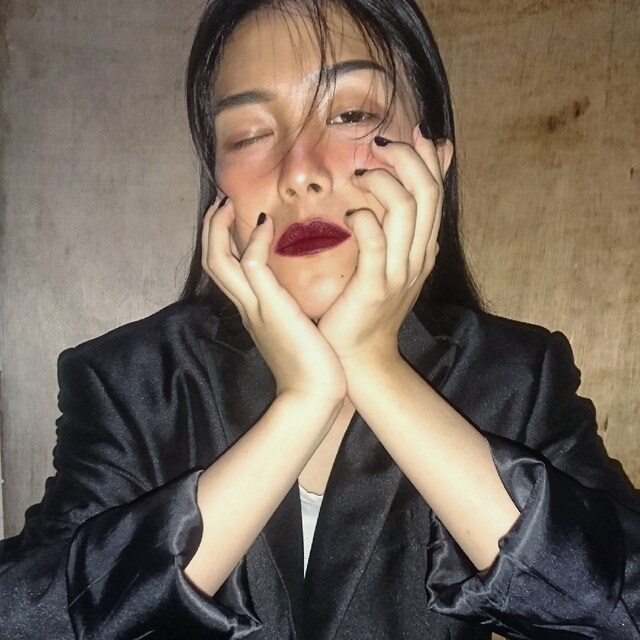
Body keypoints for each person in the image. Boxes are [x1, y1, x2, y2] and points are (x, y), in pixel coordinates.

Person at [1, 0, 639, 638]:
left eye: (351, 115)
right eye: (249, 135)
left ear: (434, 161)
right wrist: (301, 405)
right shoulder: (132, 383)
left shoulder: (518, 378)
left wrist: (376, 368)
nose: (299, 171)